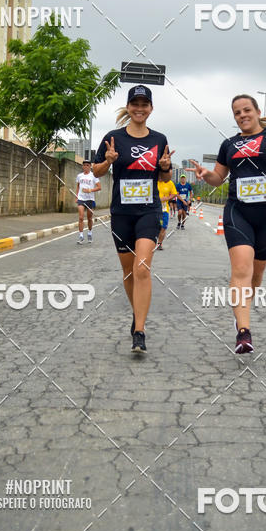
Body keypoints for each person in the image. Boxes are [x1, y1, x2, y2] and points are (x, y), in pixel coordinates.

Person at [192, 94, 266, 354]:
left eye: (247, 110)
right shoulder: (229, 144)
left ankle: (240, 311)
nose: (242, 115)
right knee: (241, 268)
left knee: (256, 275)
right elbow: (218, 178)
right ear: (234, 117)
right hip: (238, 211)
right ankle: (243, 332)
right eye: (237, 113)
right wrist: (206, 174)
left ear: (257, 111)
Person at [93, 85, 173, 353]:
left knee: (142, 269)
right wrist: (108, 161)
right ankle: (137, 314)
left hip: (149, 211)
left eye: (144, 104)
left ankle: (140, 329)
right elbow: (96, 171)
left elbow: (165, 178)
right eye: (135, 103)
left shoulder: (159, 139)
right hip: (121, 213)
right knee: (128, 272)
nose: (140, 108)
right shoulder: (113, 138)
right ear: (128, 107)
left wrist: (164, 168)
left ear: (151, 108)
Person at [75, 160, 101, 244]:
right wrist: (77, 196)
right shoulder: (79, 176)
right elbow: (78, 186)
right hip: (81, 199)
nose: (85, 167)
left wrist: (90, 190)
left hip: (90, 199)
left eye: (87, 165)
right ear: (82, 166)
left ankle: (89, 233)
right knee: (81, 217)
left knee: (89, 218)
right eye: (84, 165)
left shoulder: (94, 176)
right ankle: (81, 236)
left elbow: (99, 187)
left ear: (90, 166)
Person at [157, 177, 178, 249]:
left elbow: (174, 193)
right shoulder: (152, 180)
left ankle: (159, 243)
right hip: (152, 208)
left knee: (163, 227)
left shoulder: (169, 182)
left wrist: (166, 198)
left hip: (164, 209)